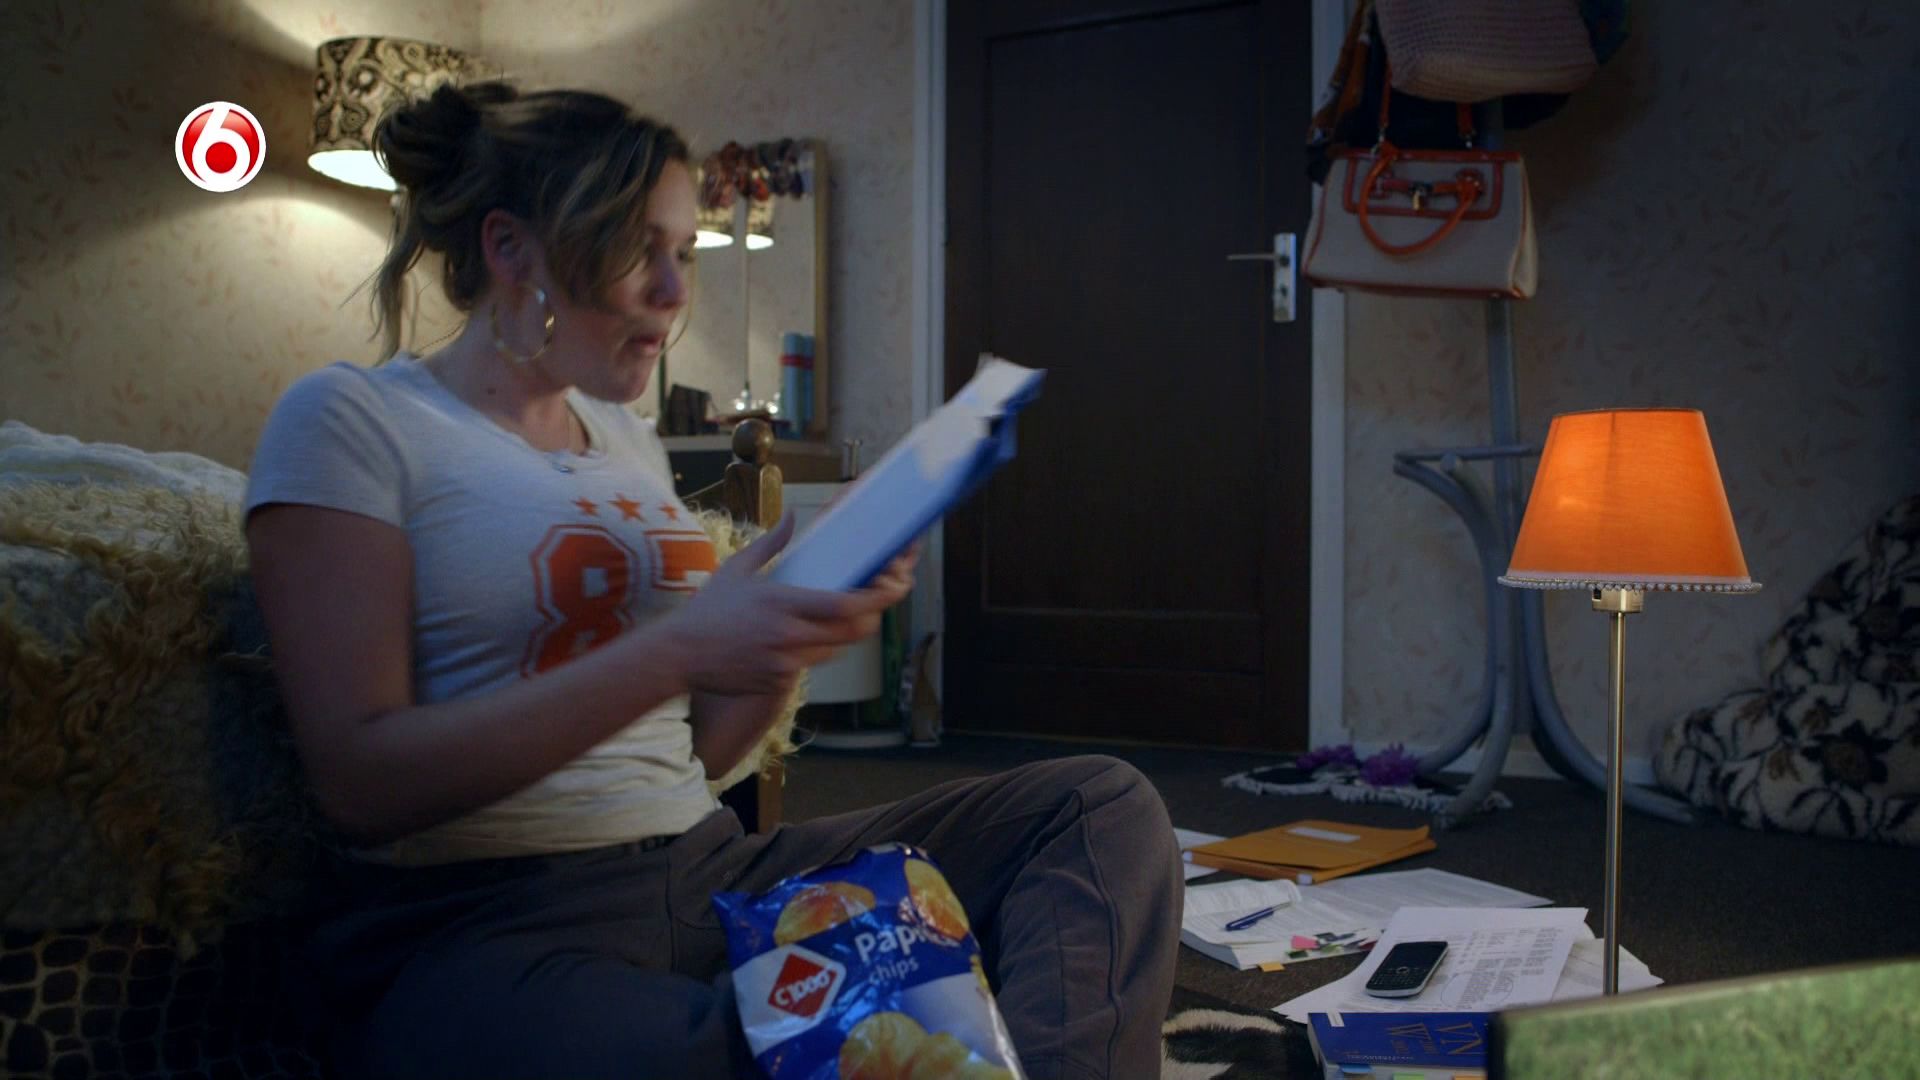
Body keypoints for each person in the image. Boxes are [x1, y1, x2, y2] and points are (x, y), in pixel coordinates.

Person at [245, 80, 1181, 1080]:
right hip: (487, 922)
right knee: (848, 1041)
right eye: (635, 248)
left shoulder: (625, 439)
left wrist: (785, 642)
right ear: (510, 248)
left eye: (684, 252)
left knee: (1098, 809)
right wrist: (682, 647)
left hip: (708, 869)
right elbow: (359, 781)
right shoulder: (354, 422)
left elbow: (696, 757)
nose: (674, 289)